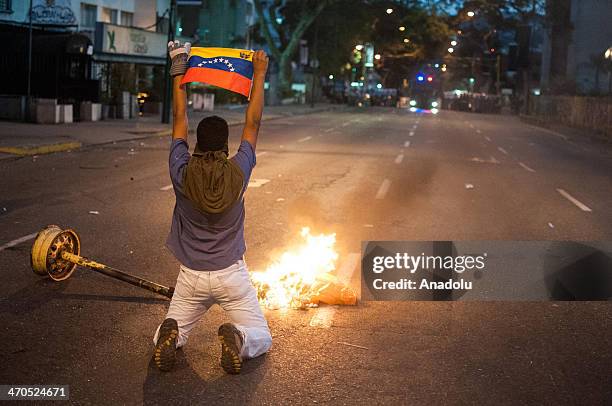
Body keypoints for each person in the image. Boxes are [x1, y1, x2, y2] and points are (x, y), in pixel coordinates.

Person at [152, 40, 271, 374]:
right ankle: (240, 339)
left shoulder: (181, 169)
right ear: (225, 146)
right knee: (262, 335)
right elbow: (253, 124)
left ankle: (169, 334)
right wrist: (259, 74)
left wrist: (179, 65)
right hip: (231, 275)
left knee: (172, 326)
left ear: (197, 144)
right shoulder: (238, 171)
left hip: (191, 277)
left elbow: (179, 117)